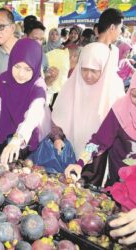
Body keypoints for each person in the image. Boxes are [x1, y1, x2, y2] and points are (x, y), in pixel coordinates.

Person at [51, 43, 125, 184]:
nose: (88, 75)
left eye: (94, 70)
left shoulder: (114, 88)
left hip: (98, 155)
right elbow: (58, 117)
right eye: (84, 69)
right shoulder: (72, 84)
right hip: (69, 151)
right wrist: (57, 137)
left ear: (104, 68)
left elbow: (104, 138)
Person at [0, 38, 50, 165]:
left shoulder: (38, 87)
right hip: (3, 133)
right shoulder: (3, 79)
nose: (21, 74)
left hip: (26, 139)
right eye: (17, 66)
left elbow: (33, 116)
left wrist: (16, 140)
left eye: (27, 69)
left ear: (35, 67)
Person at [65, 73, 136, 186]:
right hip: (117, 182)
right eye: (135, 95)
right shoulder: (120, 109)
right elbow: (98, 142)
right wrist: (80, 163)